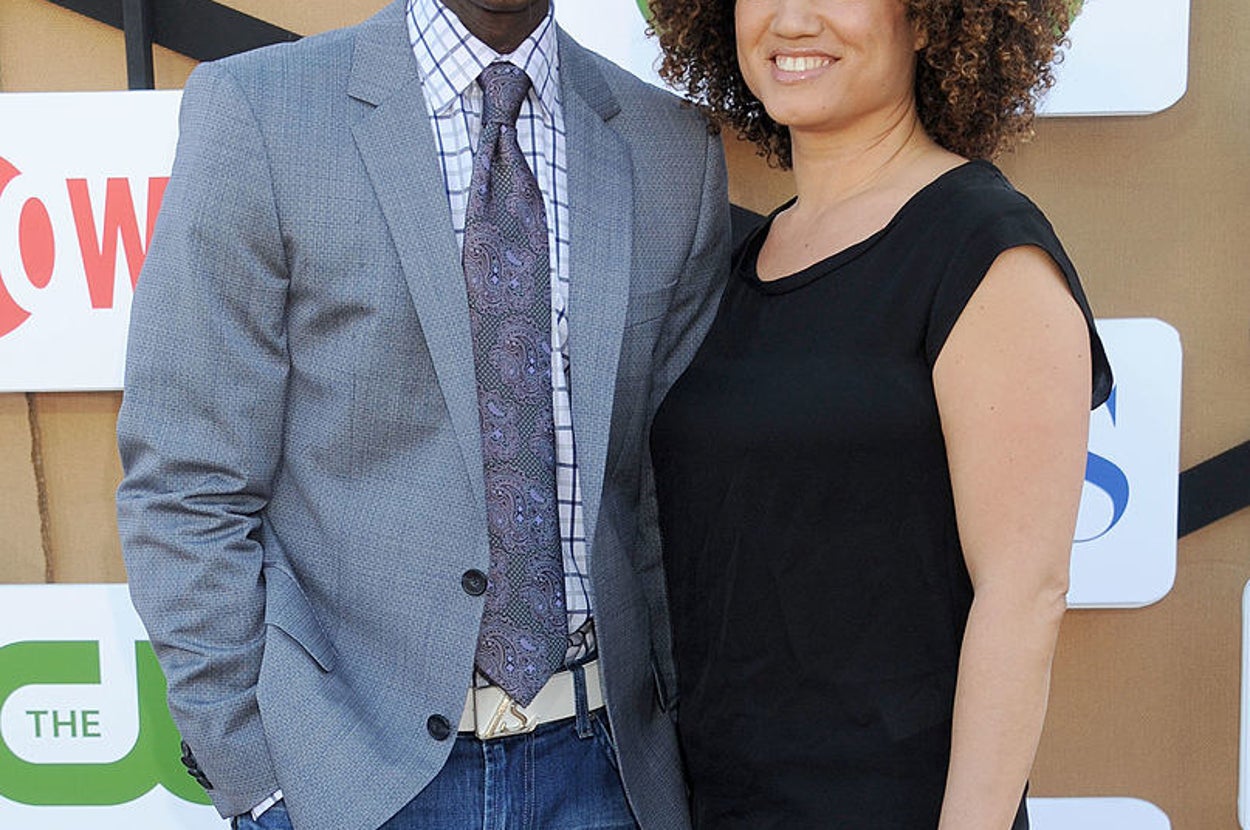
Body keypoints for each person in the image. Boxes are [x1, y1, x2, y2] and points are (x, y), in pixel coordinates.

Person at [115, 0, 729, 827]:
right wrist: (257, 779)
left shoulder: (672, 147)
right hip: (352, 782)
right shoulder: (261, 112)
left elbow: (670, 500)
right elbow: (185, 477)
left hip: (607, 772)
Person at [646, 0, 1112, 827]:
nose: (793, 20)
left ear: (931, 21)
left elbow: (1023, 596)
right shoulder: (739, 255)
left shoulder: (986, 247)